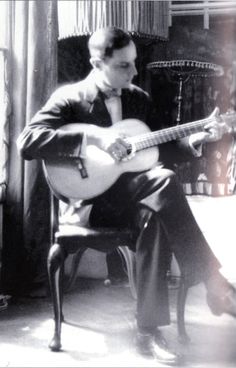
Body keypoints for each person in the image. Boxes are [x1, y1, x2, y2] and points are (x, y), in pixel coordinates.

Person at [17, 27, 236, 365]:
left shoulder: (138, 98)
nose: (134, 72)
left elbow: (164, 148)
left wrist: (197, 139)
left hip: (135, 198)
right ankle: (212, 281)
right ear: (96, 63)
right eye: (124, 65)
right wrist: (92, 140)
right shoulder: (70, 98)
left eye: (134, 63)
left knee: (157, 205)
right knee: (161, 186)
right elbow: (28, 141)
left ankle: (147, 331)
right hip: (90, 204)